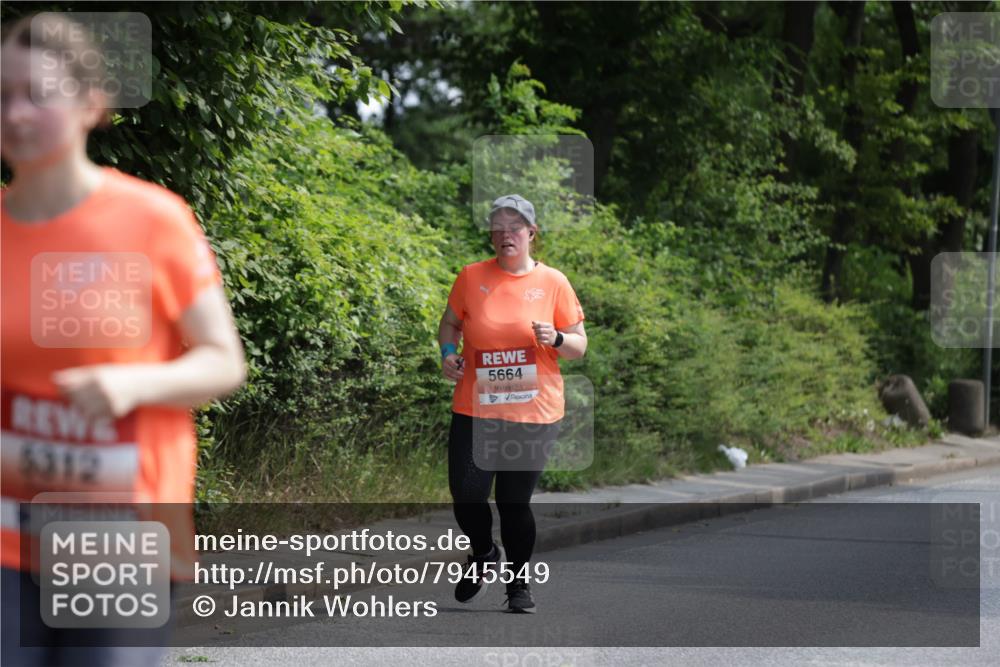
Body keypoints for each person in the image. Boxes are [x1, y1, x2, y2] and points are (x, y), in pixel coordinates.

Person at [1, 13, 246, 666]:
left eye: (37, 94)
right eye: (1, 96)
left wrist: (132, 383)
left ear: (91, 103)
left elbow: (224, 361)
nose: (16, 114)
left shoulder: (152, 221)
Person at [439, 194, 587, 613]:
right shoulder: (470, 277)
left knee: (512, 502)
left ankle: (518, 585)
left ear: (531, 233)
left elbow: (579, 345)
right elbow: (449, 323)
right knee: (466, 496)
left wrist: (556, 339)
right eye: (498, 228)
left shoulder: (553, 282)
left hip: (532, 411)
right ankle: (484, 553)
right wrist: (448, 352)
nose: (506, 234)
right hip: (475, 406)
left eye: (515, 227)